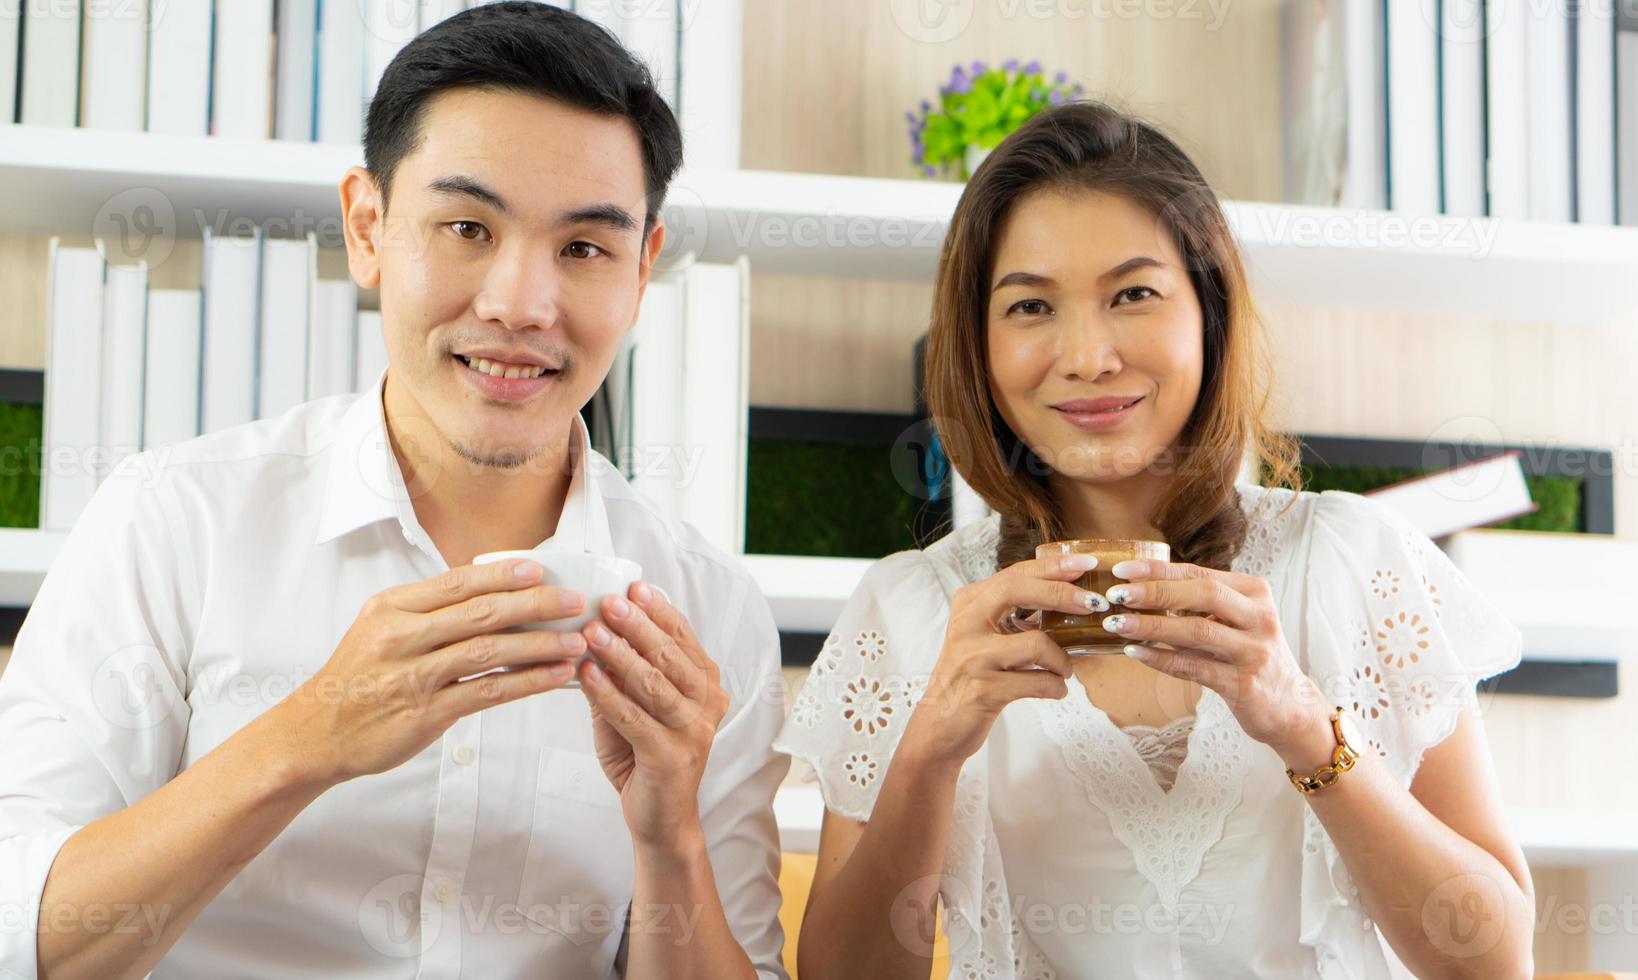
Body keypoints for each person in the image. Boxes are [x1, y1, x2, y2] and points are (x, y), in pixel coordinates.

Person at [0, 4, 787, 977]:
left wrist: (672, 840)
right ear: (368, 228)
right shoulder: (173, 520)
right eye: (466, 226)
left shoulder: (708, 609)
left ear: (640, 272)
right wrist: (306, 737)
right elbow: (26, 937)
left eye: (583, 248)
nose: (518, 304)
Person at [775, 100, 1535, 979]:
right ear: (976, 345)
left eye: (1133, 294)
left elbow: (1495, 960)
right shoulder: (909, 610)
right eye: (1030, 306)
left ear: (1208, 310)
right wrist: (930, 747)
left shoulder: (1355, 557)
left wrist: (1299, 721)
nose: (1089, 356)